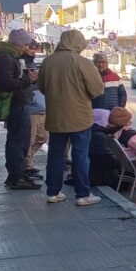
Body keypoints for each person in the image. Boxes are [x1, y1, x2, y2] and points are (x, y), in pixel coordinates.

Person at [37, 29, 105, 204]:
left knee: (55, 155)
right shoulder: (82, 62)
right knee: (80, 155)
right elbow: (97, 90)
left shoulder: (47, 61)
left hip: (56, 117)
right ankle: (83, 194)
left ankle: (53, 192)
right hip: (79, 117)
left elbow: (42, 88)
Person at [0, 29, 40, 190]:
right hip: (16, 103)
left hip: (21, 102)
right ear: (18, 44)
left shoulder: (12, 56)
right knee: (17, 141)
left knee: (21, 140)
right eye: (26, 44)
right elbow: (6, 83)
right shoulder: (5, 58)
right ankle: (16, 176)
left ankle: (19, 173)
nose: (27, 48)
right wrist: (28, 79)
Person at [88, 109, 120, 188]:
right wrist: (121, 165)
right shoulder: (98, 136)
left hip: (90, 174)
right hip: (95, 178)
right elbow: (108, 159)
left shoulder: (94, 131)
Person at [24, 90, 48, 175]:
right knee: (30, 139)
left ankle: (26, 158)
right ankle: (28, 165)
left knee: (43, 137)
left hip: (44, 111)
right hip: (32, 112)